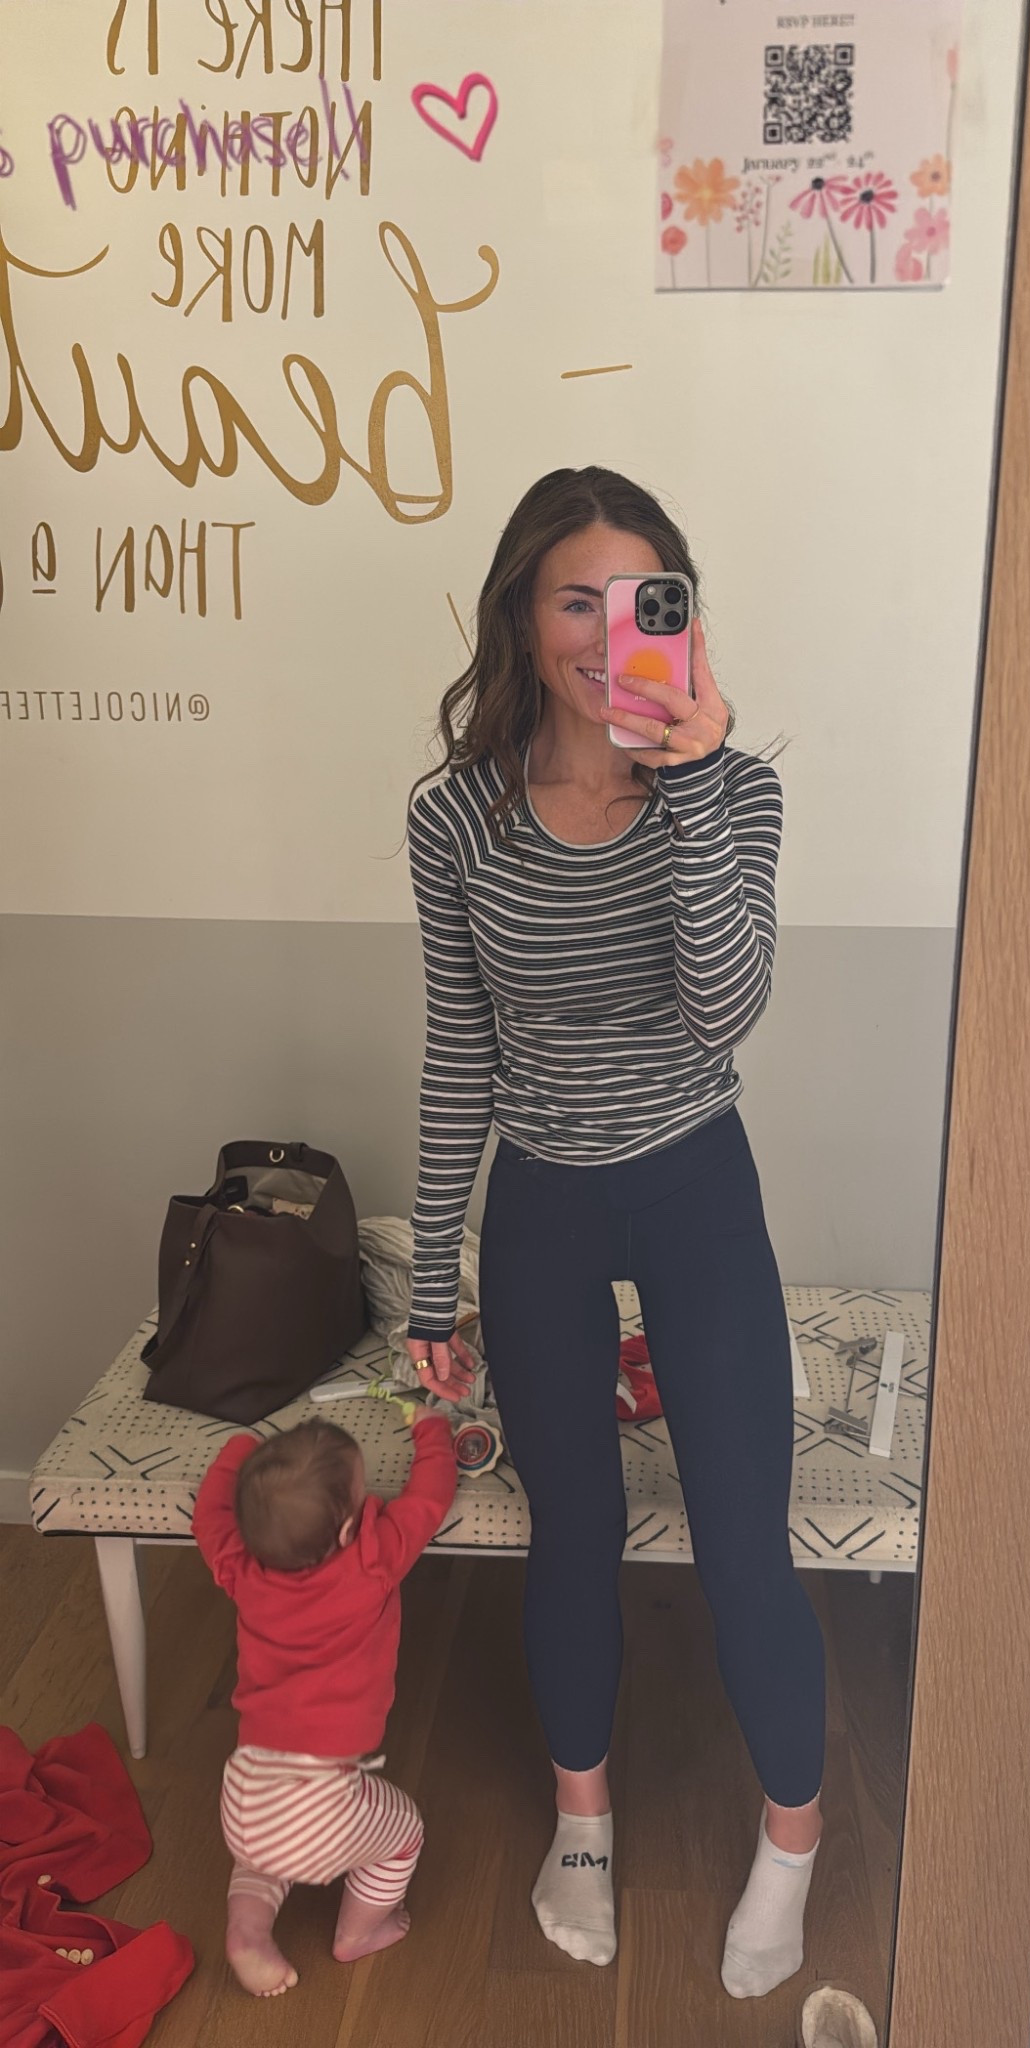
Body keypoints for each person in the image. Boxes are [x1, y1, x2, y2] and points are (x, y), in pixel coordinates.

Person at [403, 466, 826, 2000]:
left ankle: (794, 1839)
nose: (604, 632)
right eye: (574, 599)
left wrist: (694, 782)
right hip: (543, 1195)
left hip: (693, 1177)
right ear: (523, 613)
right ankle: (580, 1819)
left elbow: (723, 1008)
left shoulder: (739, 792)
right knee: (568, 1524)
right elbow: (460, 1047)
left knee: (741, 1535)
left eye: (640, 600)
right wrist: (431, 1277)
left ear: (681, 617)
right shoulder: (455, 814)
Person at [192, 1410, 456, 1997]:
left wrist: (239, 1451)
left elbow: (208, 1515)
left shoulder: (242, 1569)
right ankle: (359, 1933)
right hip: (322, 1804)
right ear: (345, 1532)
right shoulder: (370, 1563)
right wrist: (432, 1431)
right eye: (363, 1494)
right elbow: (429, 1498)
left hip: (245, 1793)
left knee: (262, 1859)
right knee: (404, 1834)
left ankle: (248, 1932)